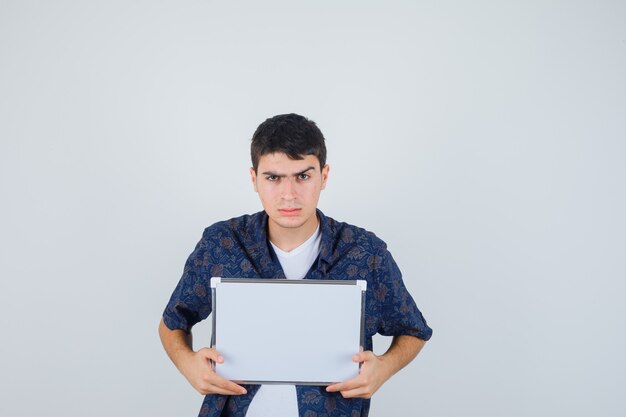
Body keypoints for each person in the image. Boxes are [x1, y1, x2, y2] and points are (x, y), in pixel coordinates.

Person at [159, 113, 432, 417]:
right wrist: (188, 364)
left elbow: (413, 329)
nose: (289, 195)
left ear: (324, 176)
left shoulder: (365, 252)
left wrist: (384, 367)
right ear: (254, 179)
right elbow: (173, 320)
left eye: (303, 176)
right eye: (273, 178)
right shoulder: (221, 244)